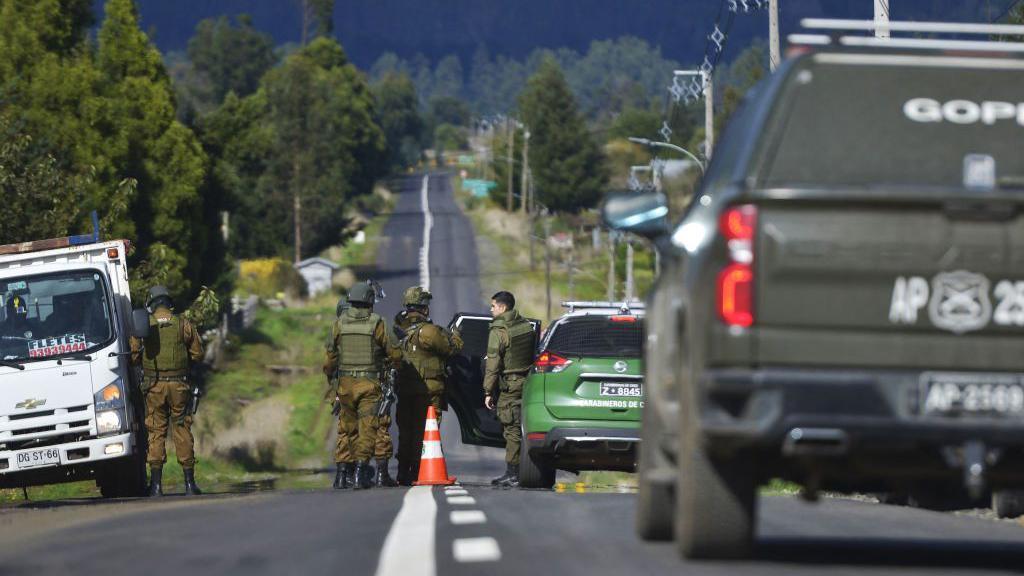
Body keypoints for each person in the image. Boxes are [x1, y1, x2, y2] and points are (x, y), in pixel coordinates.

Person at [323, 282, 399, 490]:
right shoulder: (377, 322)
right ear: (369, 300)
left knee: (348, 430)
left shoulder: (338, 324)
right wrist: (394, 364)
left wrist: (332, 380)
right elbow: (394, 352)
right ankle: (360, 472)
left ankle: (341, 476)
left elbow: (330, 359)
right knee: (369, 429)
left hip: (345, 385)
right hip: (369, 384)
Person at [131, 286, 205, 497]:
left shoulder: (144, 324)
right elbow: (198, 354)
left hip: (154, 387)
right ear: (169, 302)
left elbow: (134, 357)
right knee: (182, 429)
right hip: (180, 386)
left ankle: (156, 487)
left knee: (156, 431)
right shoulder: (183, 323)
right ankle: (190, 485)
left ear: (152, 303)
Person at [393, 286, 463, 485]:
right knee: (426, 431)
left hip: (405, 389)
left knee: (406, 430)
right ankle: (419, 470)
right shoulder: (430, 331)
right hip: (429, 390)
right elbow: (452, 349)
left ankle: (402, 471)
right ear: (424, 308)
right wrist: (456, 334)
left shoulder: (398, 328)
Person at [483, 291, 534, 488]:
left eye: (493, 306)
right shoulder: (524, 325)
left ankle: (513, 473)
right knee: (522, 427)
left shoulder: (499, 330)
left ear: (503, 308)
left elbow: (493, 364)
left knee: (511, 429)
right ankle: (522, 470)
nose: (491, 309)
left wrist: (487, 391)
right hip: (527, 382)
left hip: (510, 385)